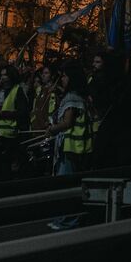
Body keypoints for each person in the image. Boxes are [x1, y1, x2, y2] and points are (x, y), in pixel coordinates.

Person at [45, 65, 91, 231]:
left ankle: (68, 221)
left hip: (70, 147)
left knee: (66, 184)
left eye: (64, 76)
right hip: (73, 147)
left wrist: (52, 129)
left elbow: (67, 122)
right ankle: (62, 218)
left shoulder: (72, 97)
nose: (62, 79)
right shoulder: (78, 96)